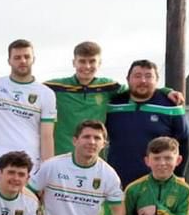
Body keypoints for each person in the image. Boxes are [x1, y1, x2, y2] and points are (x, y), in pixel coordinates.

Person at [43, 41, 181, 157]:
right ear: (74, 62)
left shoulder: (108, 87)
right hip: (62, 157)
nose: (87, 66)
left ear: (99, 63)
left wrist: (166, 91)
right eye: (82, 61)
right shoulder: (55, 87)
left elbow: (137, 89)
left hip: (95, 160)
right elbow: (31, 89)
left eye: (92, 61)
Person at [0, 39, 56, 177]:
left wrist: (47, 172)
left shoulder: (46, 93)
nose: (22, 61)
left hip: (30, 162)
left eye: (26, 56)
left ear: (33, 59)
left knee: (28, 199)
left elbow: (47, 137)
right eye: (17, 57)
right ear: (9, 61)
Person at [105, 60, 189, 187]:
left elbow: (184, 141)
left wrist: (180, 175)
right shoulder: (113, 104)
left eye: (148, 76)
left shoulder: (171, 106)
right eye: (137, 76)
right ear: (128, 79)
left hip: (157, 184)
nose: (143, 81)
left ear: (157, 80)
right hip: (116, 182)